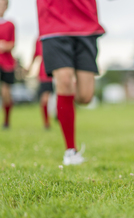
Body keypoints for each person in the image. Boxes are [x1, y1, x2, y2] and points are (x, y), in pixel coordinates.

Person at [37, 0, 105, 165]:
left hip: (86, 25)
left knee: (85, 97)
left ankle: (60, 103)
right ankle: (71, 151)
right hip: (53, 24)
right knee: (65, 81)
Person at [31, 38, 53, 129]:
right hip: (46, 73)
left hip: (60, 70)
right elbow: (35, 55)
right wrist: (29, 67)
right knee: (45, 99)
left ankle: (59, 117)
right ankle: (46, 123)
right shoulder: (39, 39)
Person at [0, 0, 15, 129]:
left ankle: (6, 121)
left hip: (7, 64)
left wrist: (4, 45)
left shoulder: (10, 24)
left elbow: (12, 44)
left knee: (6, 93)